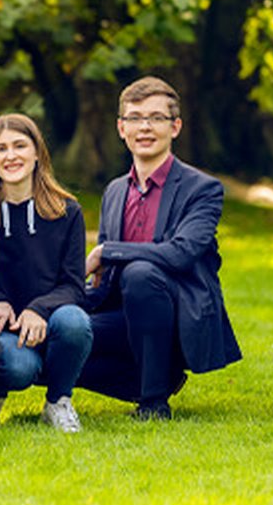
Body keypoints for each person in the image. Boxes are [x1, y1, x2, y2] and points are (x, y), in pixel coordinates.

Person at [78, 76, 241, 420]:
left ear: (176, 127)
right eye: (135, 118)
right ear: (121, 128)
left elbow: (179, 253)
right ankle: (147, 379)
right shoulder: (114, 191)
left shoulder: (203, 189)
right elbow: (104, 281)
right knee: (62, 333)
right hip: (122, 313)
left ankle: (153, 402)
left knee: (141, 274)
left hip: (177, 317)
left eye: (156, 118)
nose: (145, 127)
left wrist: (106, 251)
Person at [0, 113, 92, 433]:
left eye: (19, 146)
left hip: (52, 317)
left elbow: (73, 285)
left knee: (75, 323)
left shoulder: (67, 211)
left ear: (37, 152)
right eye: (0, 149)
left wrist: (38, 309)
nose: (11, 156)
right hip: (4, 327)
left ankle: (58, 402)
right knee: (17, 369)